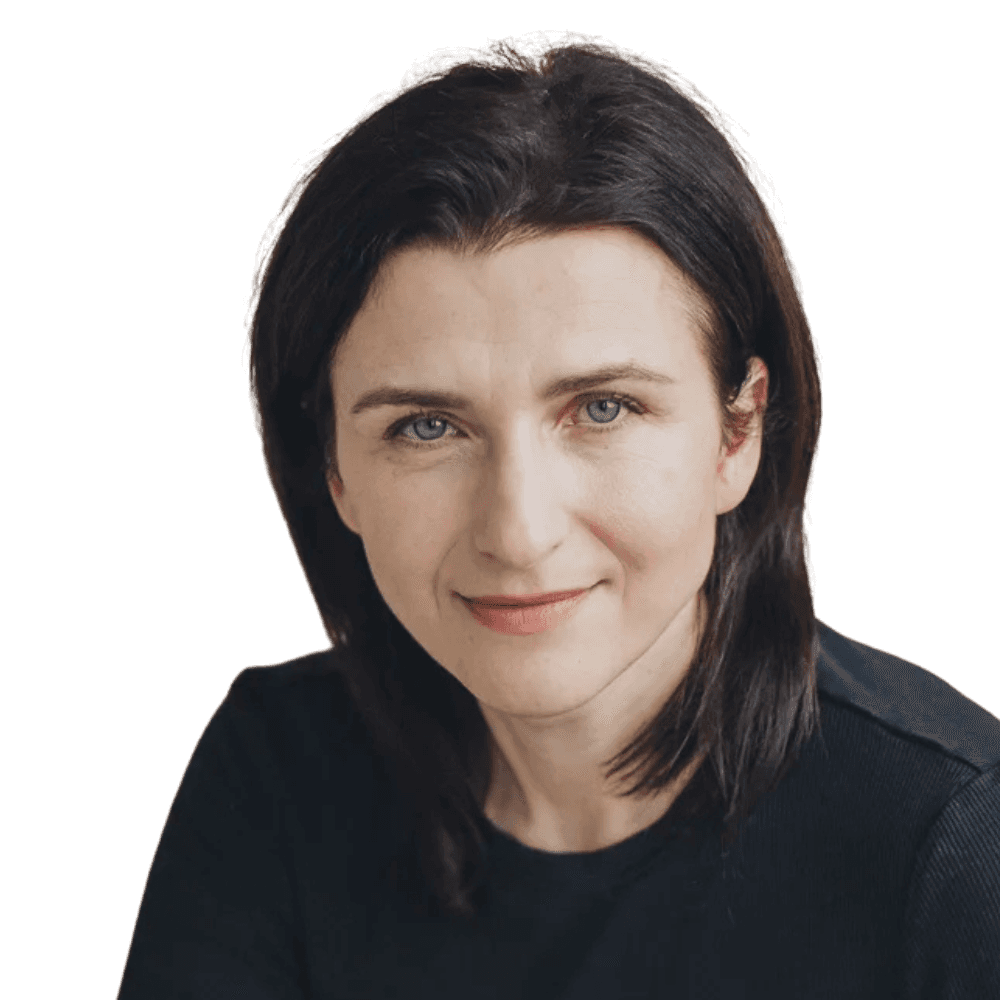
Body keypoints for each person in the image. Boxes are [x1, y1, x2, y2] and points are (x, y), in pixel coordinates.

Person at [117, 35, 1000, 999]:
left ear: (737, 434)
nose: (520, 530)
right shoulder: (277, 780)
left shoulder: (957, 845)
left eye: (604, 408)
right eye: (426, 426)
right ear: (333, 468)